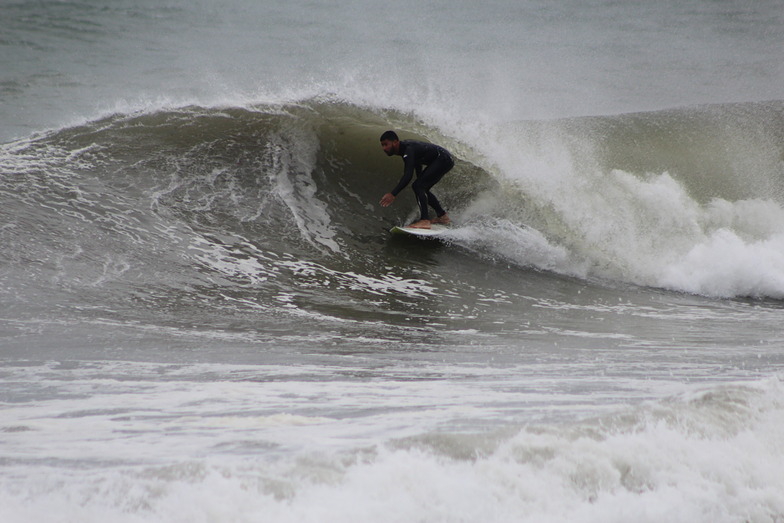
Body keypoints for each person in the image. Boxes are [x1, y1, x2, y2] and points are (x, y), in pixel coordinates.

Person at [379, 130, 454, 229]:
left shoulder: (408, 149)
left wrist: (393, 194)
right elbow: (417, 164)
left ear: (395, 142)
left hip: (443, 158)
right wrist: (420, 185)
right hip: (444, 159)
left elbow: (408, 175)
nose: (384, 148)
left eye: (386, 144)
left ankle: (425, 221)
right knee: (421, 187)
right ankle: (443, 217)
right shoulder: (405, 150)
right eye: (382, 145)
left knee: (418, 186)